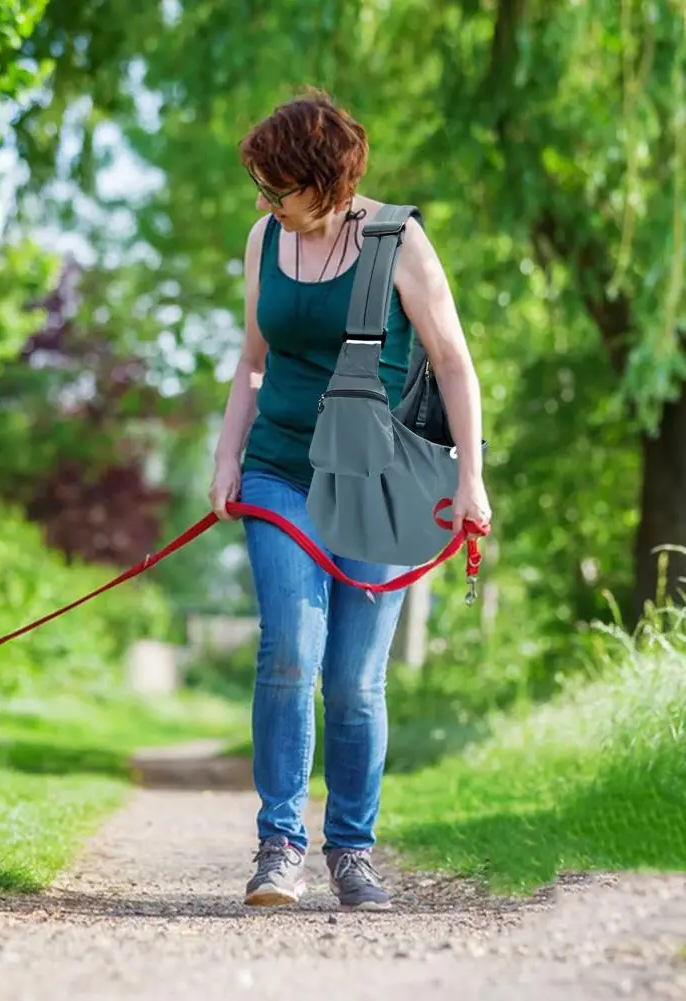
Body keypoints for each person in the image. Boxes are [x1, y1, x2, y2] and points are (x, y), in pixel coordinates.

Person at [208, 89, 491, 912]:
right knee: (289, 648)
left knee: (357, 679)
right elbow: (253, 361)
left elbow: (451, 362)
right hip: (280, 472)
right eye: (260, 190)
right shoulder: (266, 239)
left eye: (277, 188)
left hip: (378, 481)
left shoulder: (396, 242)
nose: (264, 204)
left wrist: (469, 478)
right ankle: (279, 845)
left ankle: (352, 852)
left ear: (325, 180)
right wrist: (227, 454)